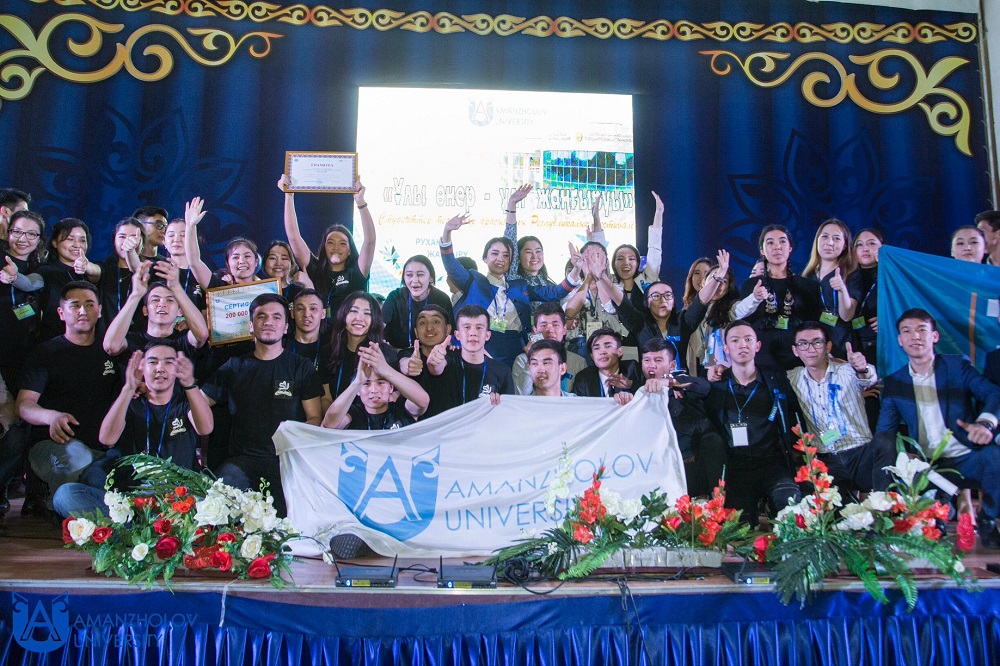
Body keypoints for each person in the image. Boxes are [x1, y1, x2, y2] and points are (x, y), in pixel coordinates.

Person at [875, 308, 1000, 547]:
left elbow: (994, 393)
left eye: (922, 330)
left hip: (967, 457)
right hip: (927, 465)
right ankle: (928, 518)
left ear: (934, 336)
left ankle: (987, 518)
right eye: (907, 331)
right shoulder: (895, 382)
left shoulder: (957, 366)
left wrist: (985, 424)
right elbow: (885, 432)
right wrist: (904, 456)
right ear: (900, 340)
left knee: (996, 457)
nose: (915, 336)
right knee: (892, 460)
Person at [52, 343, 213, 518]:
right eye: (153, 362)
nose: (160, 368)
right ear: (142, 367)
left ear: (177, 369)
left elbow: (205, 428)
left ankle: (146, 528)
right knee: (65, 495)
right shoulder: (130, 402)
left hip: (178, 499)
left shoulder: (187, 402)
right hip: (132, 500)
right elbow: (106, 439)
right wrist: (128, 388)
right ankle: (139, 525)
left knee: (213, 501)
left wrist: (190, 385)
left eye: (168, 362)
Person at [200, 293, 324, 516]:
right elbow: (200, 402)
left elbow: (315, 418)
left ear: (286, 327)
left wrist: (293, 433)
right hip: (242, 462)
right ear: (251, 326)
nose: (268, 322)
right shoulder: (234, 367)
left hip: (287, 461)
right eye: (261, 316)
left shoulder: (301, 367)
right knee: (216, 507)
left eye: (277, 317)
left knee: (295, 521)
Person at [16, 282, 120, 510]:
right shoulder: (45, 353)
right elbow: (23, 405)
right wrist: (51, 417)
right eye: (75, 305)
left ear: (99, 311)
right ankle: (64, 513)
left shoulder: (111, 352)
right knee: (78, 458)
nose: (83, 311)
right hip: (53, 447)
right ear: (61, 313)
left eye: (89, 304)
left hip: (101, 450)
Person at [439, 214, 582, 366]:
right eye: (495, 253)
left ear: (511, 261)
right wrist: (447, 232)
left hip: (515, 349)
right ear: (485, 258)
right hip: (482, 347)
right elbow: (452, 266)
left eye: (506, 255)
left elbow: (554, 293)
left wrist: (576, 269)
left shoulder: (520, 286)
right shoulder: (474, 281)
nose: (500, 258)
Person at [703, 320, 803, 526]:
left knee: (791, 505)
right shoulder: (717, 385)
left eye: (748, 339)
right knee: (737, 526)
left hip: (772, 462)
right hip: (736, 466)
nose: (742, 345)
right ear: (726, 348)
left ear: (757, 346)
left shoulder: (775, 379)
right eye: (735, 341)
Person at [786, 321, 894, 492]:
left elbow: (869, 378)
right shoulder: (792, 378)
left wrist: (862, 367)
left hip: (860, 452)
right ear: (795, 350)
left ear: (828, 346)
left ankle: (879, 499)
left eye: (817, 342)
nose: (810, 349)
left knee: (885, 443)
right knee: (822, 500)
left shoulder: (847, 370)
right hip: (826, 458)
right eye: (803, 344)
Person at [615, 251, 730, 372]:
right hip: (650, 381)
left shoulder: (683, 321)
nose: (662, 300)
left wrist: (718, 277)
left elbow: (701, 301)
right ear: (647, 302)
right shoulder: (641, 325)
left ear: (674, 301)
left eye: (668, 295)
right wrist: (603, 277)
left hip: (681, 381)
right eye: (656, 296)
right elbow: (622, 304)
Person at [279, 174, 375, 318]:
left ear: (350, 250)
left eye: (342, 243)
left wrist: (360, 202)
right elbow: (293, 237)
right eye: (330, 242)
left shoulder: (356, 272)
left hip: (349, 332)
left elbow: (370, 241)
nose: (336, 247)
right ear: (324, 247)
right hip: (318, 331)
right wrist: (289, 195)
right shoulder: (314, 269)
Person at [638, 337, 724, 497]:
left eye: (658, 360)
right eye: (647, 360)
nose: (652, 365)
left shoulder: (681, 383)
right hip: (658, 468)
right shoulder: (639, 391)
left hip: (692, 465)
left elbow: (704, 387)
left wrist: (670, 383)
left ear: (672, 365)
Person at [739, 225, 821, 369]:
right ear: (762, 250)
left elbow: (815, 324)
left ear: (790, 248)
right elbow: (743, 324)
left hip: (798, 360)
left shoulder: (807, 285)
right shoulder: (751, 285)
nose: (777, 247)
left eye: (782, 241)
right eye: (770, 242)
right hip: (760, 361)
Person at [103, 260, 210, 359]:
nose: (162, 304)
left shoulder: (183, 340)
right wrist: (135, 295)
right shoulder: (133, 341)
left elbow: (202, 335)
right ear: (145, 310)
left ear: (180, 311)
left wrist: (176, 287)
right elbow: (110, 346)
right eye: (155, 300)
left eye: (169, 300)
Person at [322, 340, 429, 430]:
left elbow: (423, 401)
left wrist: (386, 370)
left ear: (391, 387)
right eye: (366, 384)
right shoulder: (353, 414)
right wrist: (358, 381)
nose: (373, 390)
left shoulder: (401, 409)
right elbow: (329, 424)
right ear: (358, 391)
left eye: (381, 383)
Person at [425, 305, 514, 409]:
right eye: (467, 327)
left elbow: (509, 409)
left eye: (479, 328)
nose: (473, 333)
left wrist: (498, 406)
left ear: (487, 335)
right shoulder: (446, 359)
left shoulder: (502, 371)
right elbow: (436, 368)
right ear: (457, 335)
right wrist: (434, 363)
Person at [323, 291, 398, 400]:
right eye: (353, 311)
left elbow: (393, 396)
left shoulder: (385, 354)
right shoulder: (329, 351)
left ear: (375, 319)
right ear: (343, 315)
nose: (359, 318)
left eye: (367, 313)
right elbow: (326, 398)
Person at [0, 211, 46, 390]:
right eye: (17, 231)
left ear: (39, 239)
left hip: (24, 355)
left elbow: (31, 283)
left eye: (31, 234)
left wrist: (14, 277)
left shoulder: (41, 268)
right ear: (8, 233)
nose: (23, 239)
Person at [801, 219, 860, 358]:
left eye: (836, 238)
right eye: (825, 237)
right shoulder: (807, 276)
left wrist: (842, 290)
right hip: (813, 345)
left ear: (845, 245)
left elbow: (847, 315)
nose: (830, 243)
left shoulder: (851, 273)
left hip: (842, 343)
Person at [36, 219, 102, 341]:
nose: (77, 245)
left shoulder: (90, 271)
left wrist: (86, 266)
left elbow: (98, 271)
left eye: (82, 240)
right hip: (53, 340)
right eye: (70, 239)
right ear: (55, 242)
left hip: (90, 340)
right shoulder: (46, 271)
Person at [511, 301, 586, 395]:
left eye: (555, 325)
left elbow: (582, 399)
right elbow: (521, 395)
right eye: (543, 325)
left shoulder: (578, 362)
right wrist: (530, 359)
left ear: (564, 329)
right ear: (535, 330)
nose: (550, 330)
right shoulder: (522, 360)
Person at [381, 254, 453, 350]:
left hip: (431, 353)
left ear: (431, 278)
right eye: (409, 275)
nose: (414, 280)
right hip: (397, 352)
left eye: (420, 274)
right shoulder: (395, 297)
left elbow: (449, 333)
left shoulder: (442, 299)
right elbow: (380, 325)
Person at [611, 191, 663, 313]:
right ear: (613, 263)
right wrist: (596, 217)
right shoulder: (611, 286)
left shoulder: (646, 282)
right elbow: (598, 262)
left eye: (631, 258)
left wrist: (659, 213)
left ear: (638, 263)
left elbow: (654, 249)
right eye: (620, 259)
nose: (626, 263)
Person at [687, 262, 740, 376]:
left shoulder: (730, 309)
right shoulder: (689, 312)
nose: (717, 285)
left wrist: (755, 298)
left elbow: (743, 308)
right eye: (714, 279)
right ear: (703, 283)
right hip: (696, 368)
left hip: (721, 370)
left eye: (722, 281)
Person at [97, 217, 145, 331]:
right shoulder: (105, 269)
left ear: (143, 242)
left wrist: (130, 251)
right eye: (122, 237)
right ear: (114, 241)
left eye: (133, 237)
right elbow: (94, 270)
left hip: (138, 335)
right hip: (107, 334)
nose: (127, 241)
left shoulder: (150, 269)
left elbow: (138, 269)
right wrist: (84, 265)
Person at [572, 328, 641, 398]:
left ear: (619, 351)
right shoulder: (583, 378)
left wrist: (631, 385)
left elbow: (646, 392)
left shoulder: (633, 369)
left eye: (608, 346)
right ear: (592, 356)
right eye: (596, 348)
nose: (602, 352)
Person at [852, 228, 883, 365]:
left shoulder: (892, 275)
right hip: (853, 343)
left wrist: (888, 320)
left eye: (871, 243)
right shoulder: (845, 276)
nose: (865, 248)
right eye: (859, 244)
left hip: (882, 342)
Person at [286, 288, 327, 371]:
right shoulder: (281, 345)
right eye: (300, 309)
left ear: (323, 314)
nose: (306, 314)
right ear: (292, 313)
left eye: (313, 309)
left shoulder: (331, 346)